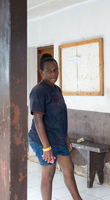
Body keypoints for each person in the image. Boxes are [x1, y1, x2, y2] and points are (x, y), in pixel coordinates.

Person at [28, 53, 82, 200]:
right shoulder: (38, 91)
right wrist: (46, 147)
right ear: (41, 72)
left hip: (59, 140)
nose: (53, 73)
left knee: (69, 169)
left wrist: (67, 138)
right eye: (49, 70)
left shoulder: (57, 90)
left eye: (55, 70)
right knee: (49, 174)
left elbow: (60, 117)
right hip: (43, 141)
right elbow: (38, 120)